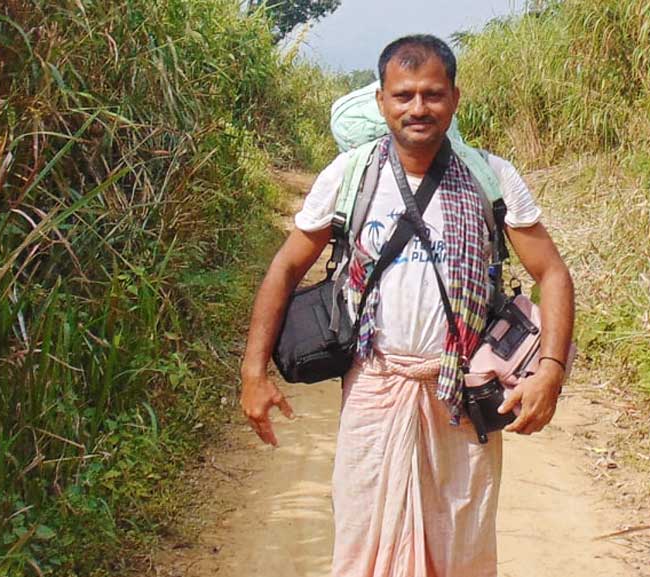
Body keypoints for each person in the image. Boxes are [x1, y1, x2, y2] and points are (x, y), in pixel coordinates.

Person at [239, 34, 574, 577]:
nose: (418, 108)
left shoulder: (492, 177)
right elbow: (285, 268)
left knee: (460, 545)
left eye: (432, 94)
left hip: (463, 395)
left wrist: (551, 372)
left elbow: (551, 272)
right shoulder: (350, 177)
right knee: (364, 540)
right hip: (374, 386)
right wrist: (253, 372)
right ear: (382, 102)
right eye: (404, 95)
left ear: (454, 99)